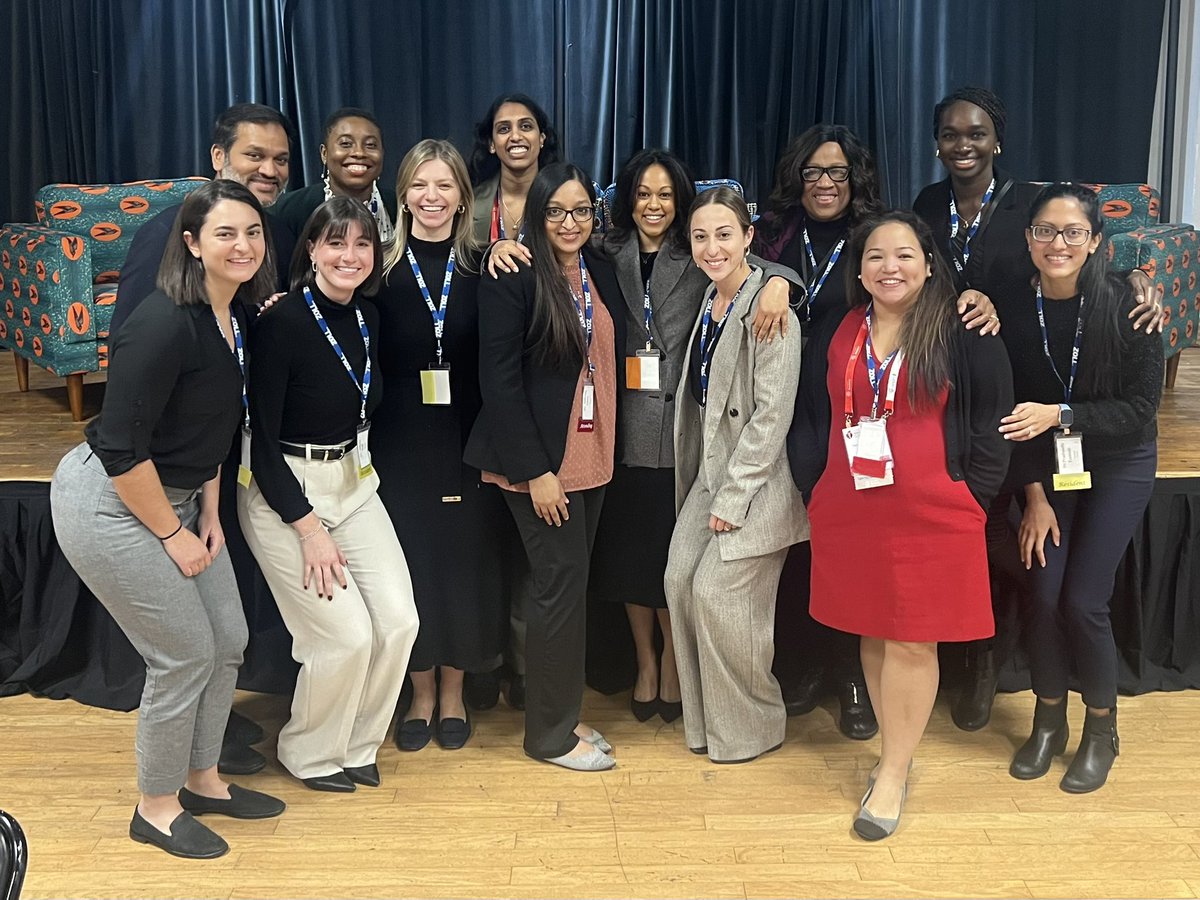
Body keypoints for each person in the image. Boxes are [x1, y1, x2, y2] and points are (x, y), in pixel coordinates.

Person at [913, 86, 1162, 732]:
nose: (962, 145)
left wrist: (1139, 278)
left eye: (976, 133)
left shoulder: (1047, 223)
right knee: (1018, 566)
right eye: (949, 134)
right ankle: (1029, 705)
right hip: (972, 395)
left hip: (1065, 429)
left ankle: (1072, 713)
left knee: (1071, 592)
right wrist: (1037, 491)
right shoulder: (930, 209)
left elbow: (1135, 409)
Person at [49, 180, 286, 859]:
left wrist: (209, 514)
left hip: (179, 498)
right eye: (225, 233)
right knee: (183, 654)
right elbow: (120, 448)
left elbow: (210, 427)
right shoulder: (161, 323)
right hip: (111, 505)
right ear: (191, 243)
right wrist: (172, 533)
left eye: (252, 232)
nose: (242, 245)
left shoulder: (231, 317)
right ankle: (155, 809)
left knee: (229, 639)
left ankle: (204, 781)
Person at [789, 209, 1013, 840]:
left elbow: (993, 418)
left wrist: (973, 496)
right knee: (875, 631)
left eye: (905, 255)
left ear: (928, 261)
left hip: (936, 515)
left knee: (915, 639)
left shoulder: (966, 327)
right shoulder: (838, 329)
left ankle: (893, 770)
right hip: (850, 509)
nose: (891, 267)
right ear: (859, 269)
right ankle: (894, 750)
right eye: (877, 257)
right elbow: (811, 418)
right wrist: (814, 485)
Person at [590, 149, 797, 723]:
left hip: (685, 437)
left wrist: (784, 284)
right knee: (630, 558)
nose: (652, 205)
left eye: (664, 195)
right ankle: (646, 665)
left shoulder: (698, 250)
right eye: (642, 194)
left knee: (668, 558)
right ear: (626, 201)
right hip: (623, 426)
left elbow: (754, 267)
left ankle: (679, 668)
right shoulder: (608, 251)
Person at [237, 198, 419, 792]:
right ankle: (310, 752)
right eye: (335, 243)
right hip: (285, 492)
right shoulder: (282, 322)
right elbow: (261, 446)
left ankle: (358, 744)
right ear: (311, 249)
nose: (349, 255)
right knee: (343, 635)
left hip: (355, 481)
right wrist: (308, 528)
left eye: (362, 244)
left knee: (398, 622)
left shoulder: (366, 318)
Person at [998, 183, 1161, 793]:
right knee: (1042, 590)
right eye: (1046, 231)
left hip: (1120, 461)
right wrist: (1033, 497)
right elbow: (1012, 417)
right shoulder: (1013, 307)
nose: (1058, 243)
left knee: (1084, 600)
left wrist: (1061, 414)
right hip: (1048, 467)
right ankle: (1048, 720)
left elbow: (1141, 410)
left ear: (1096, 242)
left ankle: (1101, 728)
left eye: (1073, 233)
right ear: (1028, 238)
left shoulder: (1131, 305)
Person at [464, 162, 625, 771]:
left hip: (592, 456)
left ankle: (560, 712)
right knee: (558, 589)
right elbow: (498, 382)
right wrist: (537, 473)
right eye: (555, 211)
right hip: (537, 466)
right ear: (536, 214)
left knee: (565, 588)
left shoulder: (599, 270)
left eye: (581, 210)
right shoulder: (514, 273)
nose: (569, 222)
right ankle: (549, 737)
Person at [370, 140, 508, 752]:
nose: (432, 197)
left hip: (470, 443)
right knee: (414, 570)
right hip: (399, 445)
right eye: (420, 185)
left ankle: (453, 693)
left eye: (444, 185)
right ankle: (419, 694)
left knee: (464, 570)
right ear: (403, 194)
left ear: (462, 197)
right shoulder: (375, 270)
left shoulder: (486, 267)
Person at [663, 187, 806, 763]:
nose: (712, 246)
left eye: (724, 234)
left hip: (753, 483)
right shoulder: (710, 299)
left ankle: (752, 727)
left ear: (749, 237)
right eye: (700, 236)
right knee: (678, 582)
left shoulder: (772, 310)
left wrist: (738, 496)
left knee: (718, 596)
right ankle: (706, 727)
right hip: (710, 474)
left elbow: (771, 417)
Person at [465, 93, 561, 711]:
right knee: (481, 544)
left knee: (535, 550)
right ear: (492, 142)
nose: (516, 136)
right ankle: (481, 662)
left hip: (546, 390)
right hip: (473, 385)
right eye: (504, 128)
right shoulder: (469, 208)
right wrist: (484, 258)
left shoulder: (567, 198)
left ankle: (527, 667)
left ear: (543, 138)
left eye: (527, 126)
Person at [111, 102, 294, 340]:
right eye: (254, 155)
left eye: (281, 160)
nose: (270, 171)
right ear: (219, 157)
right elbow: (128, 338)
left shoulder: (281, 234)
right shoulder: (165, 232)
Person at [272, 107, 396, 244]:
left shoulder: (401, 208)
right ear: (324, 154)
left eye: (370, 145)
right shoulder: (289, 210)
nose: (359, 153)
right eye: (346, 144)